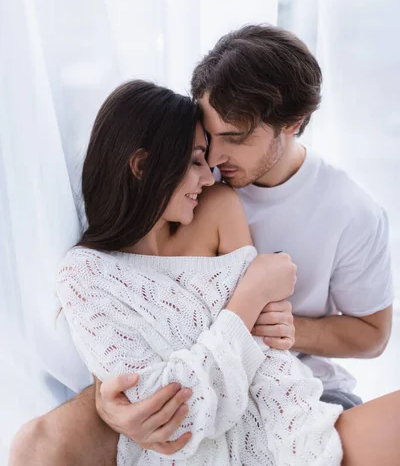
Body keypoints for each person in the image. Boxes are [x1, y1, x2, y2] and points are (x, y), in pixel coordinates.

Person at [9, 26, 395, 465]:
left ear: (292, 125)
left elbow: (373, 335)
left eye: (235, 138)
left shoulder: (349, 211)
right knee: (38, 441)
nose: (213, 161)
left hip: (289, 377)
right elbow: (134, 311)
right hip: (194, 369)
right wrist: (107, 395)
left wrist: (283, 327)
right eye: (208, 139)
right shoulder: (190, 189)